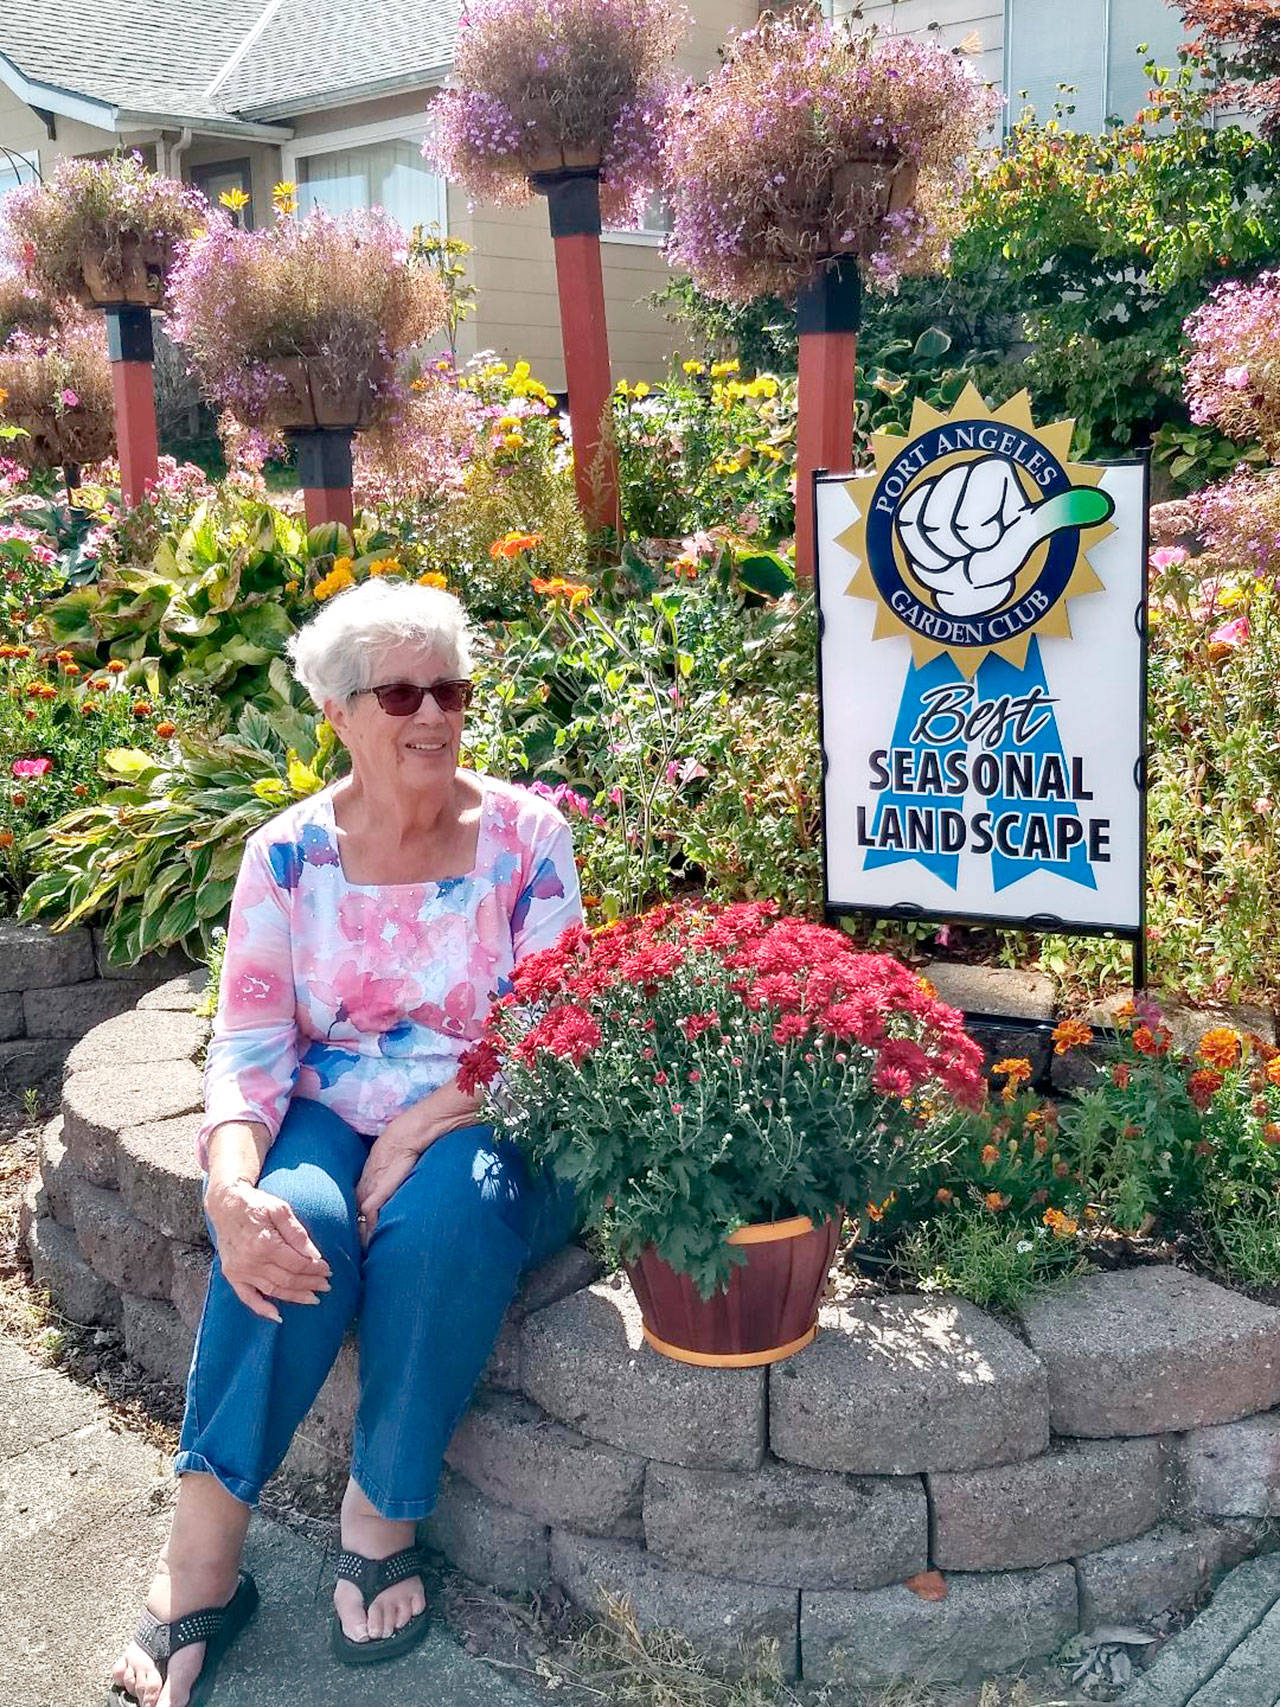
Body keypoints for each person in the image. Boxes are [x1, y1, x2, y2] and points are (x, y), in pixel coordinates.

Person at [112, 578, 582, 1707]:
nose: (433, 714)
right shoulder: (286, 857)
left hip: (494, 1117)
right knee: (291, 1228)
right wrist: (229, 1189)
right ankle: (203, 1565)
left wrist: (424, 1121)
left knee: (438, 1220)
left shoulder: (527, 837)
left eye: (451, 689)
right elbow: (252, 1045)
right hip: (329, 1107)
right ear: (337, 711)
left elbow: (558, 1029)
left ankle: (380, 1511)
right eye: (401, 693)